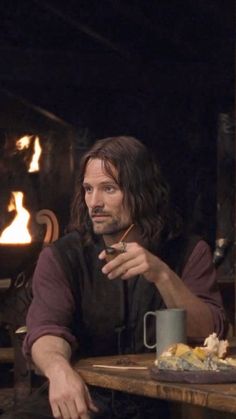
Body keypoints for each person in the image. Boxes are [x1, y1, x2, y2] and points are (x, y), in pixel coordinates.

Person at [2, 136, 226, 419]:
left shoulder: (189, 252)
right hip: (85, 395)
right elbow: (46, 329)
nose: (94, 203)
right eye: (88, 189)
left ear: (142, 193)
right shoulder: (63, 256)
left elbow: (211, 332)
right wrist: (59, 372)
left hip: (162, 403)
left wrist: (162, 275)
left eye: (109, 189)